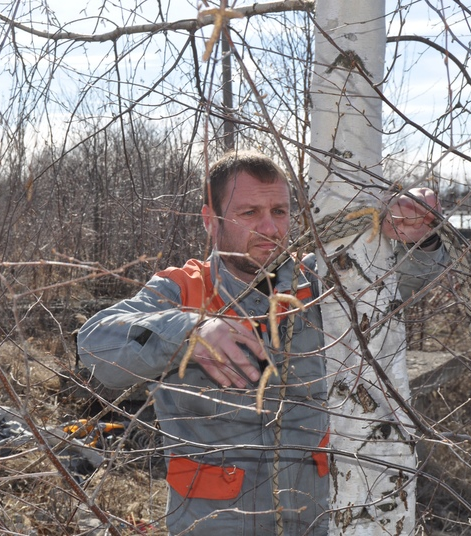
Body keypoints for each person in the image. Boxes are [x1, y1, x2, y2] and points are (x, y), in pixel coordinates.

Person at [77, 150, 447, 535]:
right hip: (212, 526)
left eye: (280, 212)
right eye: (249, 213)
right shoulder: (185, 289)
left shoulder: (321, 287)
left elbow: (402, 285)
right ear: (211, 221)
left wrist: (419, 236)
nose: (270, 229)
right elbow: (95, 346)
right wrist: (189, 332)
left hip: (315, 521)